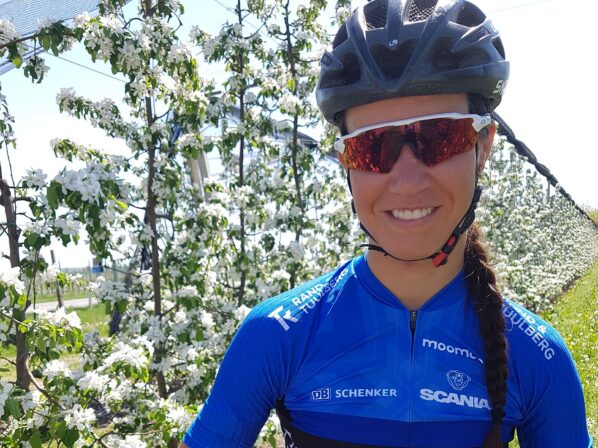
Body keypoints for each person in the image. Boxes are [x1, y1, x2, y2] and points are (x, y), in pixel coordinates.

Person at [181, 0, 593, 447]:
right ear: (346, 161)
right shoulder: (275, 335)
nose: (408, 180)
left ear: (484, 145)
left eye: (440, 138)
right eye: (373, 147)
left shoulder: (539, 357)